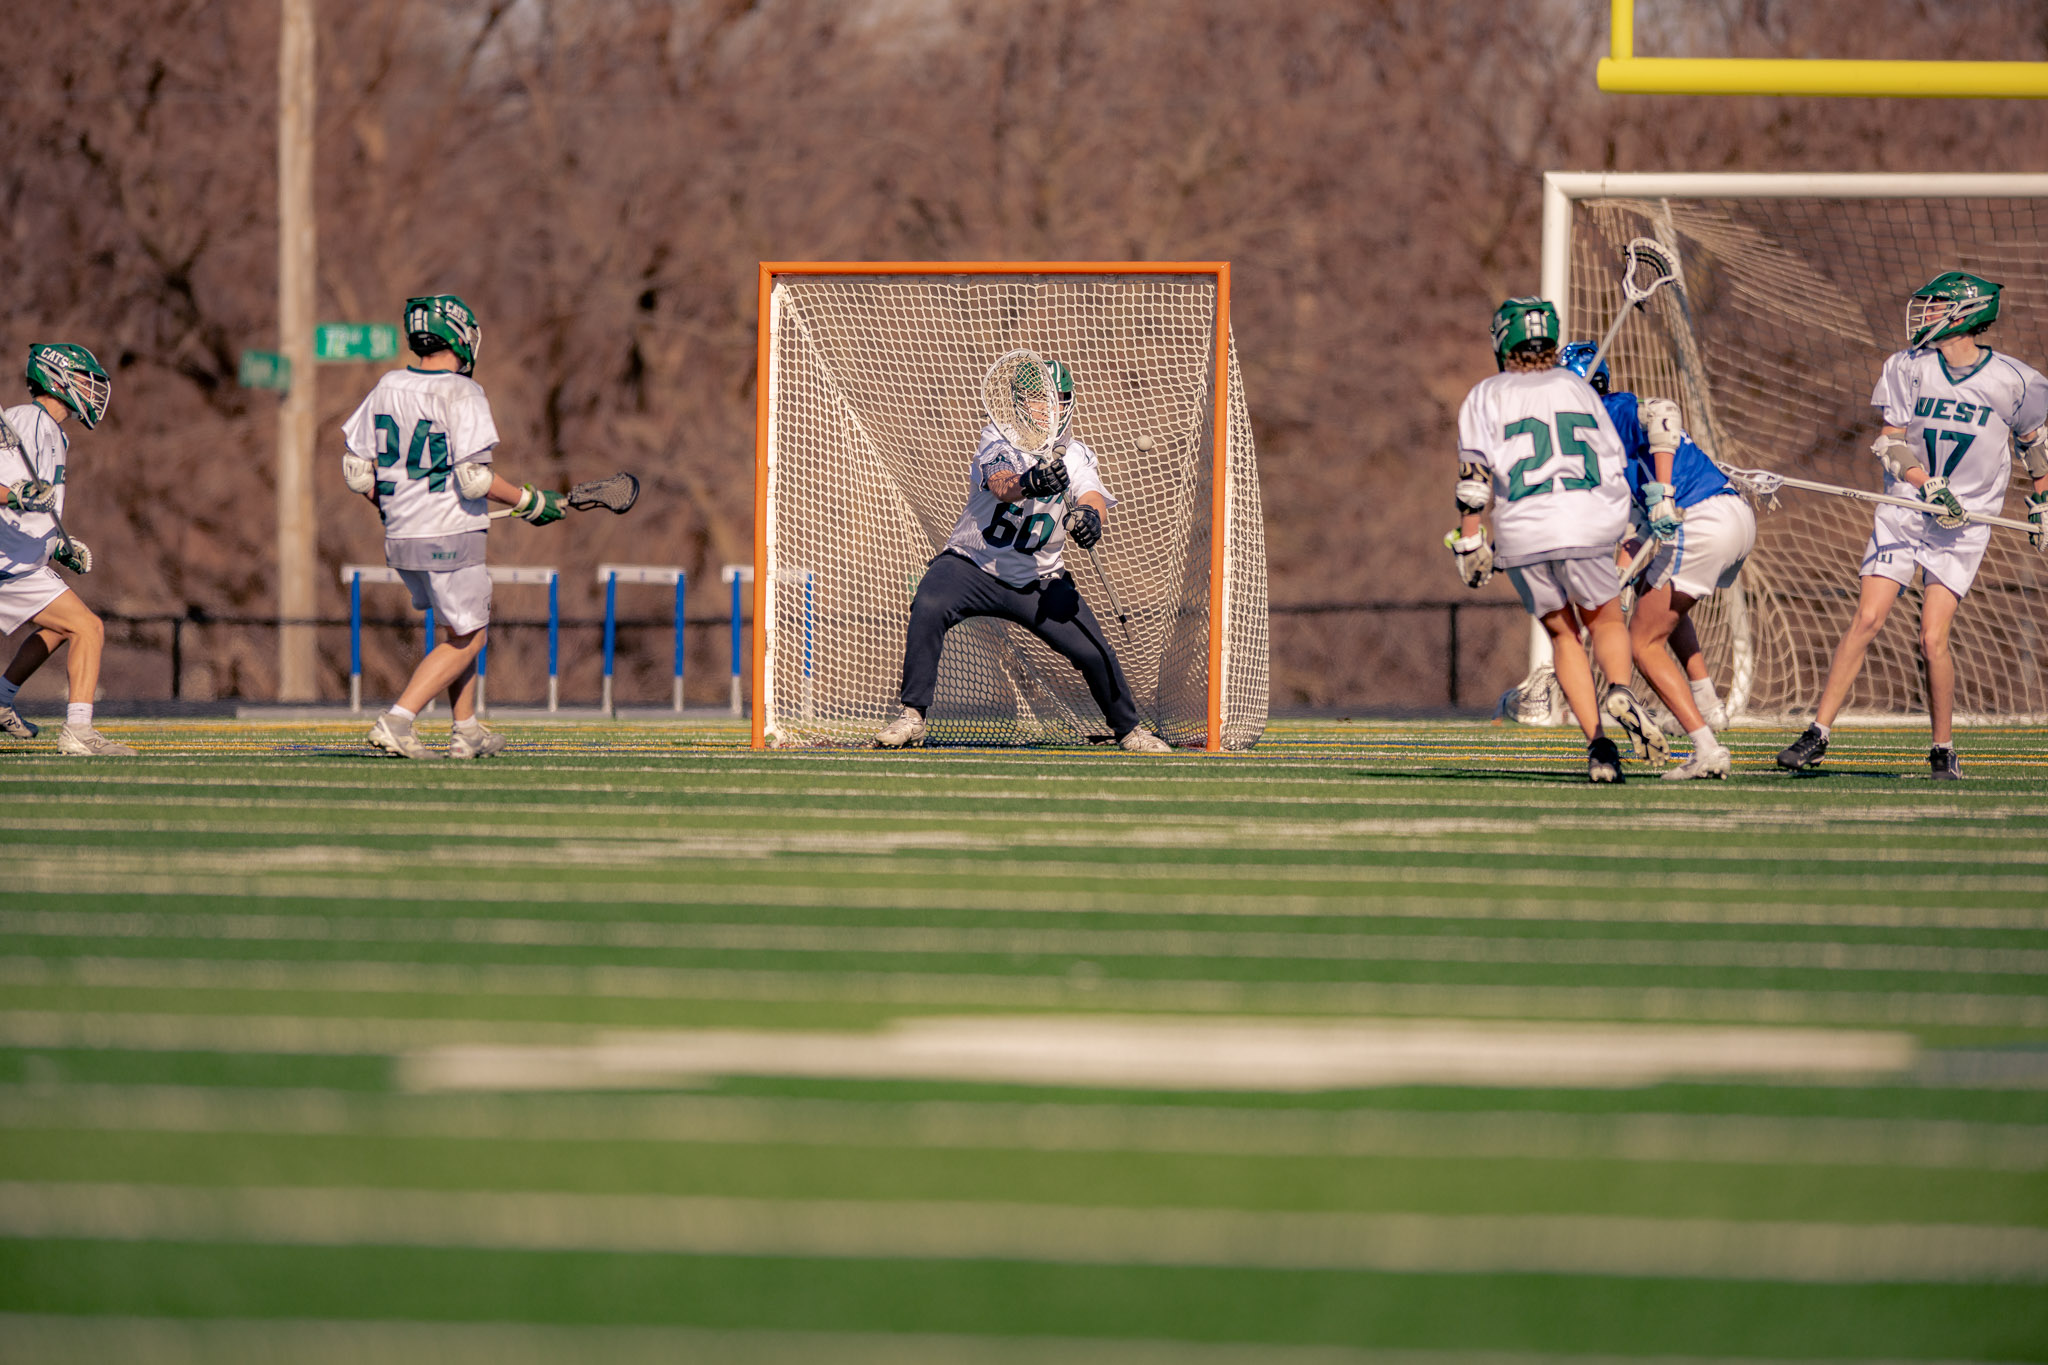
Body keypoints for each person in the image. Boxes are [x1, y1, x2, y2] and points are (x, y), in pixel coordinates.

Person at [1776, 272, 2048, 779]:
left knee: (1931, 637)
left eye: (1937, 305)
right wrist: (1927, 485)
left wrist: (2042, 501)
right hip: (1907, 506)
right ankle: (1818, 732)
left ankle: (1943, 749)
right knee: (1868, 617)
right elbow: (1891, 441)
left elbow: (2035, 446)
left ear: (1966, 313)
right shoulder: (1907, 366)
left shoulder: (2016, 380)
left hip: (1964, 523)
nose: (1925, 313)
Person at [873, 358, 1170, 753]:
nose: (1050, 408)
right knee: (929, 603)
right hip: (973, 565)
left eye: (1058, 399)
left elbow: (1092, 495)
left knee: (1093, 650)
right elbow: (1002, 484)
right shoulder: (998, 437)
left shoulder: (1076, 454)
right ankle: (913, 717)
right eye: (1038, 399)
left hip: (1040, 579)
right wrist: (1032, 481)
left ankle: (1129, 731)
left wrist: (1089, 517)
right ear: (1019, 403)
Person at [1449, 300, 1665, 783]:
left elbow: (1473, 479)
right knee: (1605, 620)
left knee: (1564, 635)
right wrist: (1614, 526)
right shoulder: (1577, 388)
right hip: (1585, 520)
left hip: (1522, 529)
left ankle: (1600, 748)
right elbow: (1611, 465)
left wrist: (1469, 540)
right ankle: (1619, 688)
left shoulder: (1485, 395)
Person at [341, 295, 565, 759]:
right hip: (449, 533)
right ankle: (398, 720)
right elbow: (474, 479)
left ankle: (466, 729)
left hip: (400, 535)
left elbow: (357, 473)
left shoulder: (387, 385)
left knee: (459, 629)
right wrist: (529, 500)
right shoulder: (463, 393)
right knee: (471, 636)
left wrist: (391, 506)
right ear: (458, 336)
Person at [1559, 342, 1754, 780]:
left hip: (1701, 516)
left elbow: (1664, 411)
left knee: (1641, 644)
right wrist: (1617, 582)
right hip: (1730, 517)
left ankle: (1706, 748)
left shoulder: (1608, 412)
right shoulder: (1604, 453)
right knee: (1651, 591)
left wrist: (1663, 492)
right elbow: (1637, 531)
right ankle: (1706, 702)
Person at [0, 343, 134, 756]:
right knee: (88, 628)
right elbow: (14, 492)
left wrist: (57, 543)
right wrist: (17, 495)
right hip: (8, 560)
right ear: (56, 379)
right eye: (82, 380)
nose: (91, 391)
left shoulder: (55, 432)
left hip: (22, 560)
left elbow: (37, 504)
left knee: (63, 628)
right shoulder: (26, 421)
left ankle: (2, 700)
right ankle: (78, 731)